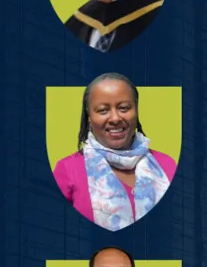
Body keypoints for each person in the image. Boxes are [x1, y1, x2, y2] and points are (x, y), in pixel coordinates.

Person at [53, 73, 176, 231]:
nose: (115, 118)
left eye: (123, 108)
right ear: (89, 116)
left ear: (136, 110)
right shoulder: (67, 169)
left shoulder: (166, 164)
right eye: (103, 110)